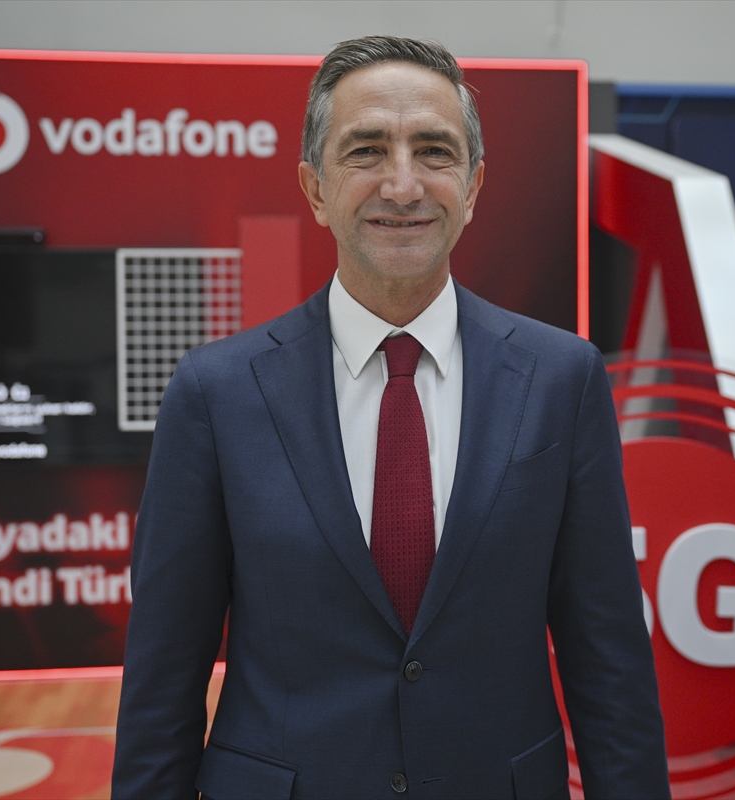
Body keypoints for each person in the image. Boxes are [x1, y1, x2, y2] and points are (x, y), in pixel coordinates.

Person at [111, 35, 669, 800]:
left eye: (434, 152)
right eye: (366, 151)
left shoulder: (561, 379)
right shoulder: (216, 392)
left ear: (473, 187)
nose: (402, 185)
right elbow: (163, 679)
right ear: (315, 188)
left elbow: (609, 661)